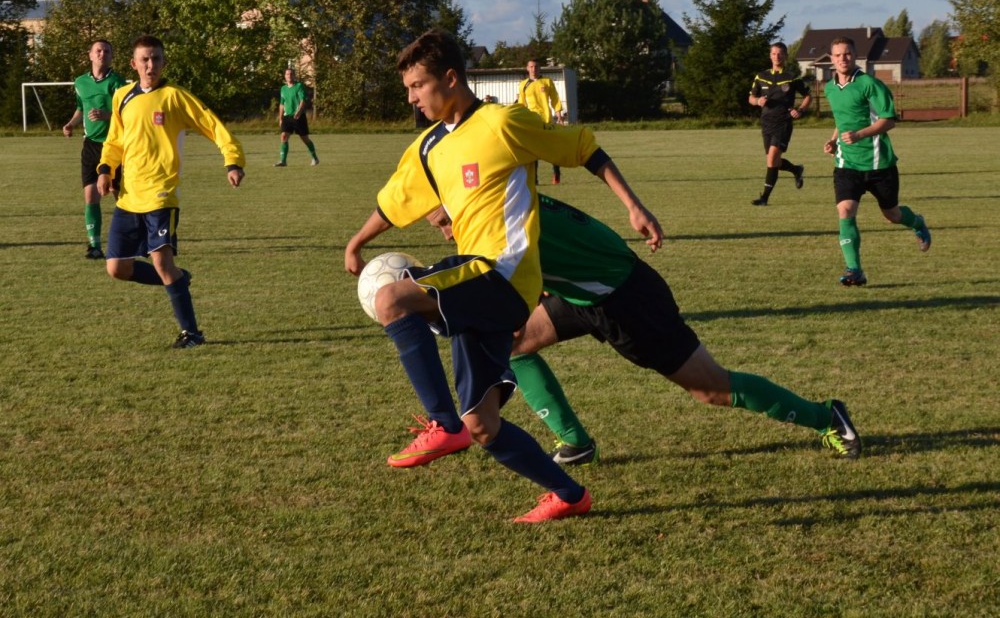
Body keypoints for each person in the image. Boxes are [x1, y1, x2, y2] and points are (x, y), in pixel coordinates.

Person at [344, 29, 662, 523]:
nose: (411, 98)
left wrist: (634, 206)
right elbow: (396, 199)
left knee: (392, 300)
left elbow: (582, 148)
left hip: (503, 273)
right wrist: (357, 242)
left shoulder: (503, 122)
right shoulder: (430, 145)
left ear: (451, 78)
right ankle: (569, 494)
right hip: (477, 281)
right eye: (407, 88)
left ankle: (441, 423)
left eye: (418, 85)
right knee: (483, 425)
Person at [427, 194, 863, 464]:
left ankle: (826, 416)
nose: (447, 234)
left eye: (446, 222)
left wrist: (428, 303)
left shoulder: (498, 224)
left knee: (711, 389)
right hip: (583, 292)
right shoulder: (504, 193)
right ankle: (576, 443)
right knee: (517, 343)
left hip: (625, 296)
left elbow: (493, 286)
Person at [97, 35, 246, 348]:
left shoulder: (175, 97)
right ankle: (179, 279)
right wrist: (105, 170)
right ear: (133, 64)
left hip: (161, 195)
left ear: (164, 62)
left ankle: (192, 333)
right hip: (128, 197)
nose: (150, 65)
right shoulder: (122, 96)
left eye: (156, 58)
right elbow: (114, 141)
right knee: (117, 268)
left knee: (162, 264)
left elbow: (213, 125)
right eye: (145, 59)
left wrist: (232, 161)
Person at [823, 37, 931, 286]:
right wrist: (834, 141)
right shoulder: (829, 88)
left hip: (878, 163)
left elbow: (888, 120)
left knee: (892, 214)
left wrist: (860, 134)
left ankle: (917, 222)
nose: (842, 58)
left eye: (847, 54)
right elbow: (841, 120)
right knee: (845, 210)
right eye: (838, 55)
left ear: (855, 55)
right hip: (847, 164)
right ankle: (854, 270)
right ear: (831, 59)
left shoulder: (870, 84)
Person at [62, 40, 128, 259]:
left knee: (121, 197)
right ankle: (94, 246)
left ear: (111, 56)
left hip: (114, 145)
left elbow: (127, 113)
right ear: (90, 55)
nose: (102, 54)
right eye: (98, 50)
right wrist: (71, 124)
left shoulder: (118, 82)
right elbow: (81, 108)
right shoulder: (80, 82)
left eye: (107, 51)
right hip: (90, 145)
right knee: (91, 196)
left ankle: (134, 239)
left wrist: (106, 115)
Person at [747, 41, 810, 206]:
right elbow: (751, 98)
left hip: (783, 123)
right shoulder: (761, 76)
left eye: (780, 54)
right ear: (770, 56)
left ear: (786, 56)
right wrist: (758, 101)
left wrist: (800, 110)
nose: (777, 57)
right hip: (766, 123)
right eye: (774, 53)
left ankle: (764, 198)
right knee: (773, 161)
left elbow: (808, 96)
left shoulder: (792, 77)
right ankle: (796, 169)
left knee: (772, 159)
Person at [518, 58, 566, 184]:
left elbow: (555, 99)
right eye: (531, 67)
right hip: (532, 121)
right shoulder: (523, 84)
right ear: (527, 68)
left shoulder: (547, 82)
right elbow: (521, 104)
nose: (534, 69)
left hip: (547, 120)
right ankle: (534, 179)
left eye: (536, 67)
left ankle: (556, 173)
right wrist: (520, 119)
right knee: (533, 151)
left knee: (552, 149)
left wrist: (559, 114)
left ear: (540, 68)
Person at [274, 67, 319, 167]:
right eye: (287, 74)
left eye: (291, 74)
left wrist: (299, 111)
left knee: (305, 139)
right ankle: (283, 161)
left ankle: (315, 158)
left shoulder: (299, 86)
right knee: (284, 136)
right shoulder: (283, 89)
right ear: (285, 76)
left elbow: (303, 100)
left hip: (298, 117)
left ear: (294, 76)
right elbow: (282, 104)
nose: (289, 76)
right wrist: (280, 118)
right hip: (287, 117)